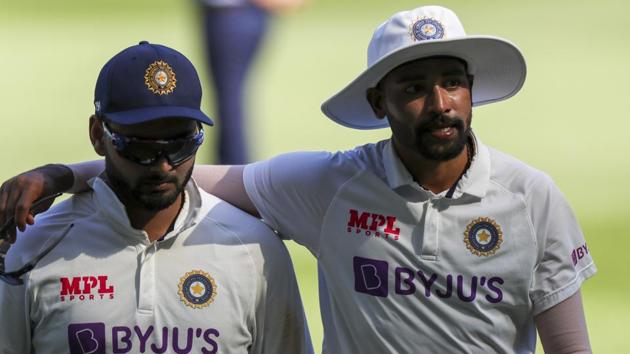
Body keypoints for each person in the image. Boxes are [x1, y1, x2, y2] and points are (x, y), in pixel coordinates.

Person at [0, 6, 595, 353]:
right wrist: (60, 175)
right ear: (378, 101)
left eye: (453, 82)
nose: (440, 104)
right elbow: (173, 174)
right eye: (414, 88)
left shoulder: (532, 197)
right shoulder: (328, 185)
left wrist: (59, 172)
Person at [0, 41, 312, 353]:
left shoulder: (254, 250)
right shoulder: (30, 250)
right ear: (97, 135)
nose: (163, 165)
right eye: (140, 147)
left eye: (181, 145)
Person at [198, 0, 304, 164]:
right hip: (240, 15)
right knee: (230, 101)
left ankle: (232, 177)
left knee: (229, 102)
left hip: (233, 16)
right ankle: (233, 173)